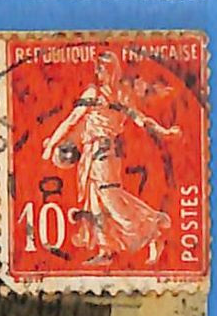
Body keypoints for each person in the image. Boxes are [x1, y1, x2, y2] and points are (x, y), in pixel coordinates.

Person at [41, 51, 182, 265]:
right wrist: (53, 142)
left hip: (104, 153)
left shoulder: (118, 96)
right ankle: (105, 250)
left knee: (111, 198)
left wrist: (164, 132)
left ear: (111, 71)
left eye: (101, 68)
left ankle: (153, 229)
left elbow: (140, 120)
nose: (98, 73)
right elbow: (73, 121)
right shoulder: (97, 93)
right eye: (97, 69)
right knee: (96, 201)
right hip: (92, 153)